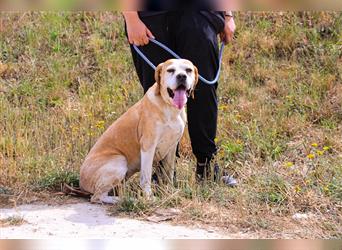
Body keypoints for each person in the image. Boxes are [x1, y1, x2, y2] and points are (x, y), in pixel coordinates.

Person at [123, 10, 237, 186]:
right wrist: (131, 18)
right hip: (150, 16)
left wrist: (227, 15)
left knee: (204, 90)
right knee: (159, 91)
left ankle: (206, 165)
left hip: (199, 13)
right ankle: (163, 172)